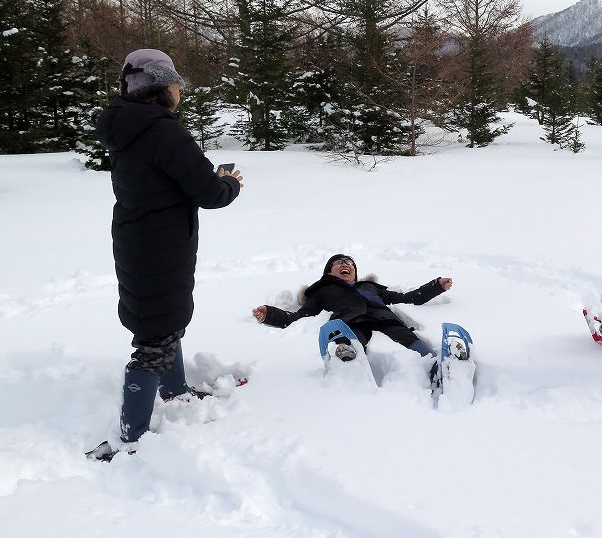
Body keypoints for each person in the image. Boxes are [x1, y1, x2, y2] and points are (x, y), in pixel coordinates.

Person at [87, 49, 243, 461]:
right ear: (160, 87)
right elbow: (209, 193)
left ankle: (174, 391)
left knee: (165, 320)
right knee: (155, 337)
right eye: (176, 83)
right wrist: (229, 182)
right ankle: (129, 437)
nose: (180, 90)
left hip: (139, 237)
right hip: (162, 244)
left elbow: (164, 178)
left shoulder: (128, 127)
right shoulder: (164, 131)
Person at [252, 254, 453, 361]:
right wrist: (269, 314)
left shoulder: (369, 287)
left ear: (355, 272)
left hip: (383, 317)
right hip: (351, 320)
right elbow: (298, 316)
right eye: (338, 262)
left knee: (405, 335)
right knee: (352, 338)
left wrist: (436, 286)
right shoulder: (322, 290)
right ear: (329, 272)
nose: (344, 264)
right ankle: (347, 357)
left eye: (349, 263)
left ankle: (431, 359)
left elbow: (408, 298)